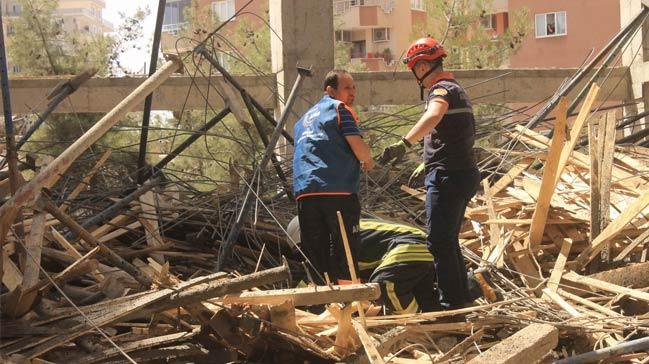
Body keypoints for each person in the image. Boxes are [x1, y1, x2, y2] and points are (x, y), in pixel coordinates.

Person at [377, 37, 480, 310]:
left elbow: (434, 115)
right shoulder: (458, 89)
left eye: (415, 69)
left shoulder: (441, 90)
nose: (416, 76)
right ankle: (463, 297)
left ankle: (451, 304)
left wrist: (404, 143)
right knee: (448, 240)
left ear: (422, 66)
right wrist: (429, 158)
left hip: (448, 176)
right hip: (461, 172)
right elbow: (459, 130)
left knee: (437, 242)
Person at [287, 217, 497, 315]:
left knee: (384, 286)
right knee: (425, 301)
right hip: (414, 252)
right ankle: (474, 284)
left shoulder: (334, 240)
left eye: (301, 249)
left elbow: (320, 282)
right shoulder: (341, 232)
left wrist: (296, 301)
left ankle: (418, 322)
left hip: (411, 247)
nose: (304, 255)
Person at [292, 69, 374, 284]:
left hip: (306, 193)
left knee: (315, 253)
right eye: (347, 88)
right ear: (330, 90)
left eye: (354, 87)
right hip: (338, 190)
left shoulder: (301, 122)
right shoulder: (339, 109)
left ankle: (322, 308)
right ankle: (349, 305)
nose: (352, 92)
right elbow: (359, 149)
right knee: (345, 251)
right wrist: (368, 159)